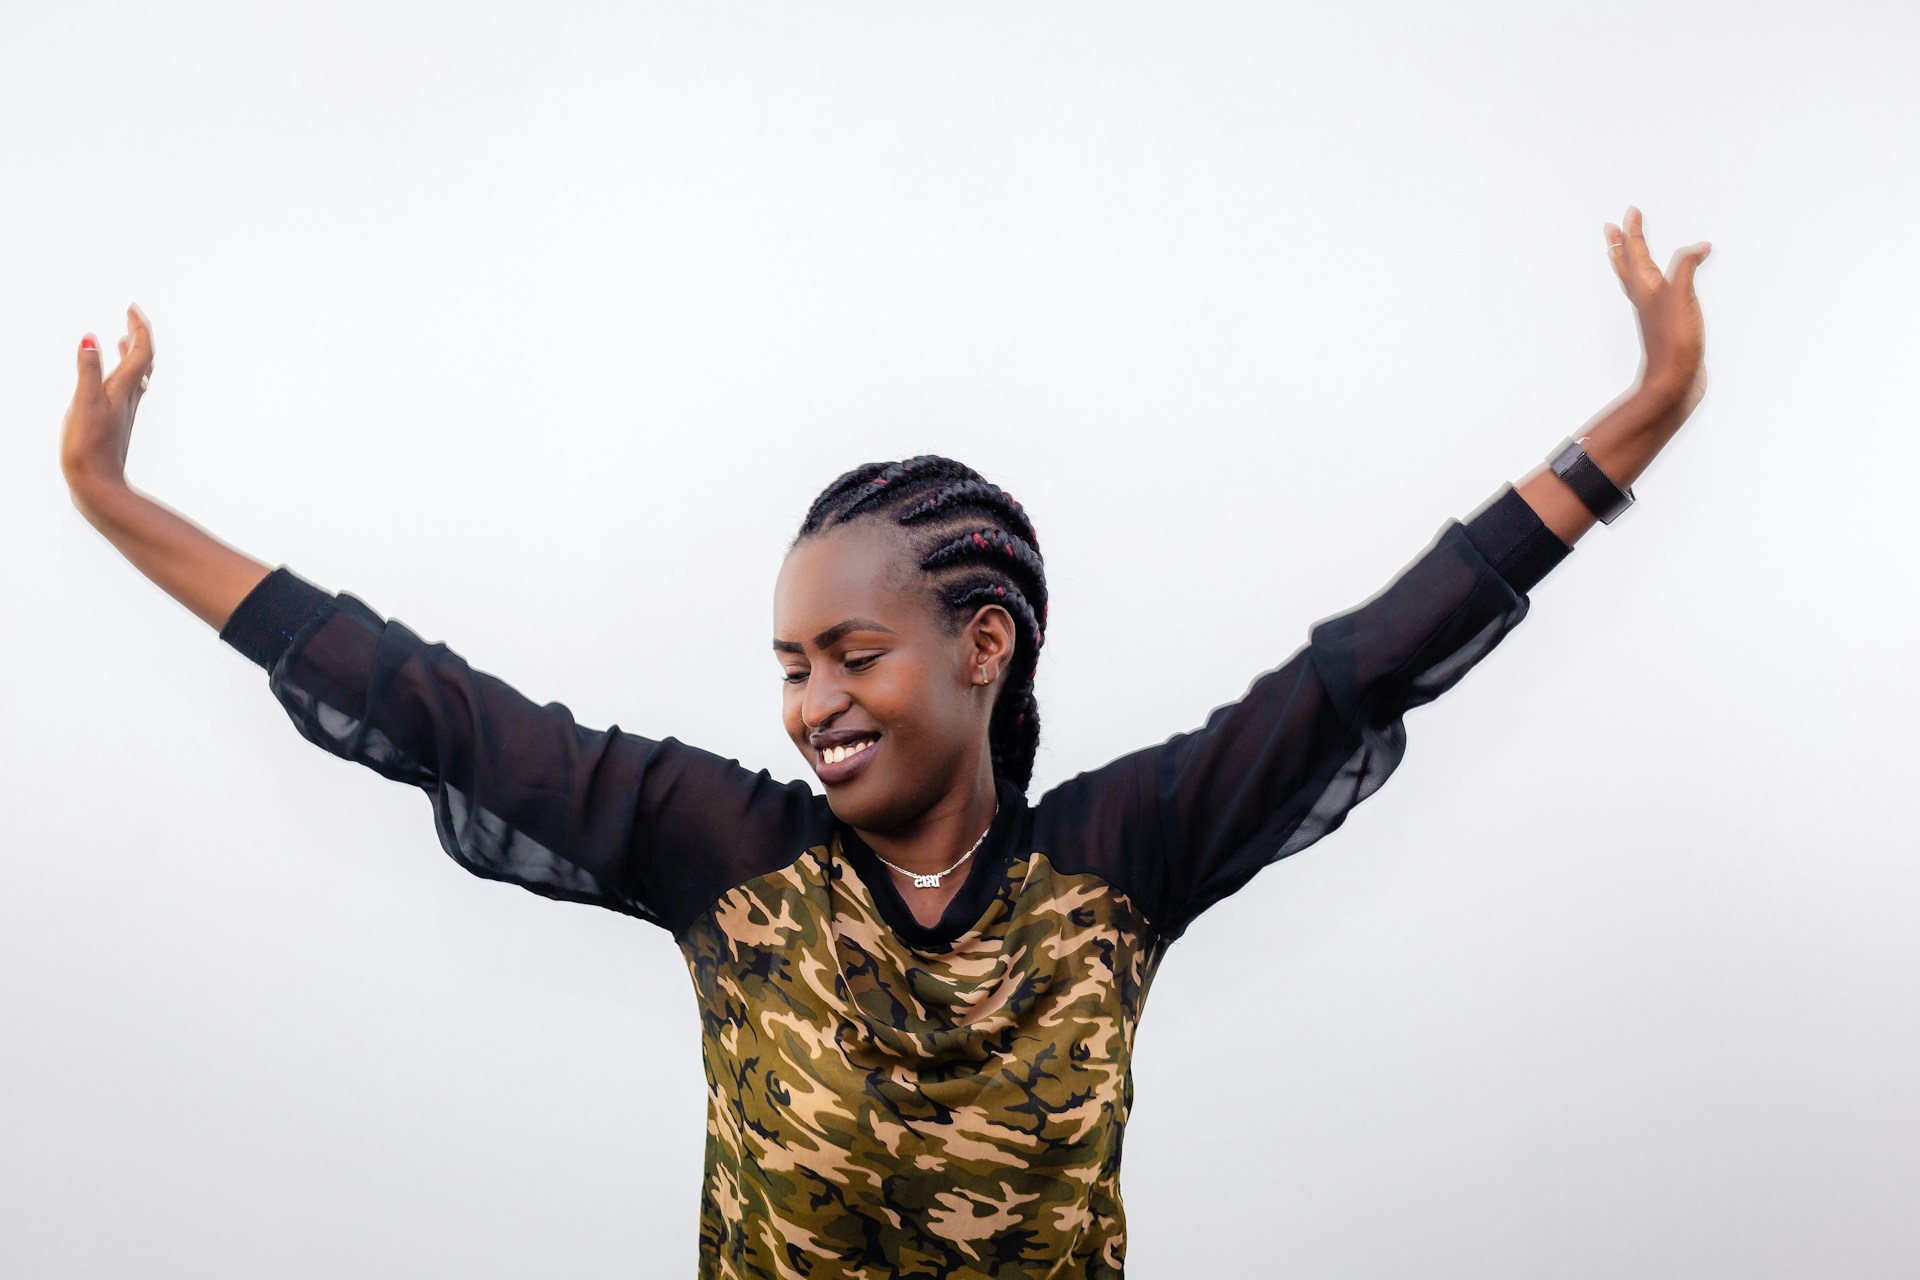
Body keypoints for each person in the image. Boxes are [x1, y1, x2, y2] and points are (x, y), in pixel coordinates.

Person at [59, 207, 1710, 1279]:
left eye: (855, 655)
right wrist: (120, 505)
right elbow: (425, 703)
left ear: (983, 647)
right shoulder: (725, 852)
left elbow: (1366, 670)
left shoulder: (1120, 862)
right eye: (790, 666)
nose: (813, 703)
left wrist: (1632, 422)